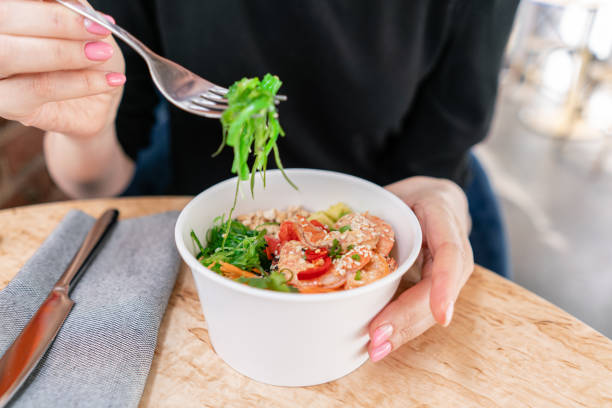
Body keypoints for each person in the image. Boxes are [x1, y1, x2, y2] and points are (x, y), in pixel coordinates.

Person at [0, 0, 518, 362]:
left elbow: (439, 155)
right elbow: (99, 181)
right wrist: (84, 125)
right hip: (192, 209)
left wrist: (439, 193)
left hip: (400, 210)